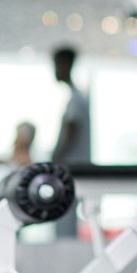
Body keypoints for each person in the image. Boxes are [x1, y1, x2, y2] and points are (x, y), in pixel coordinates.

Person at [50, 47, 91, 235]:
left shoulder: (76, 99)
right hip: (71, 169)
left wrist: (56, 158)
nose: (55, 70)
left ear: (66, 65)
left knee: (65, 224)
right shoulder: (76, 98)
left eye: (56, 65)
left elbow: (71, 131)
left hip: (71, 169)